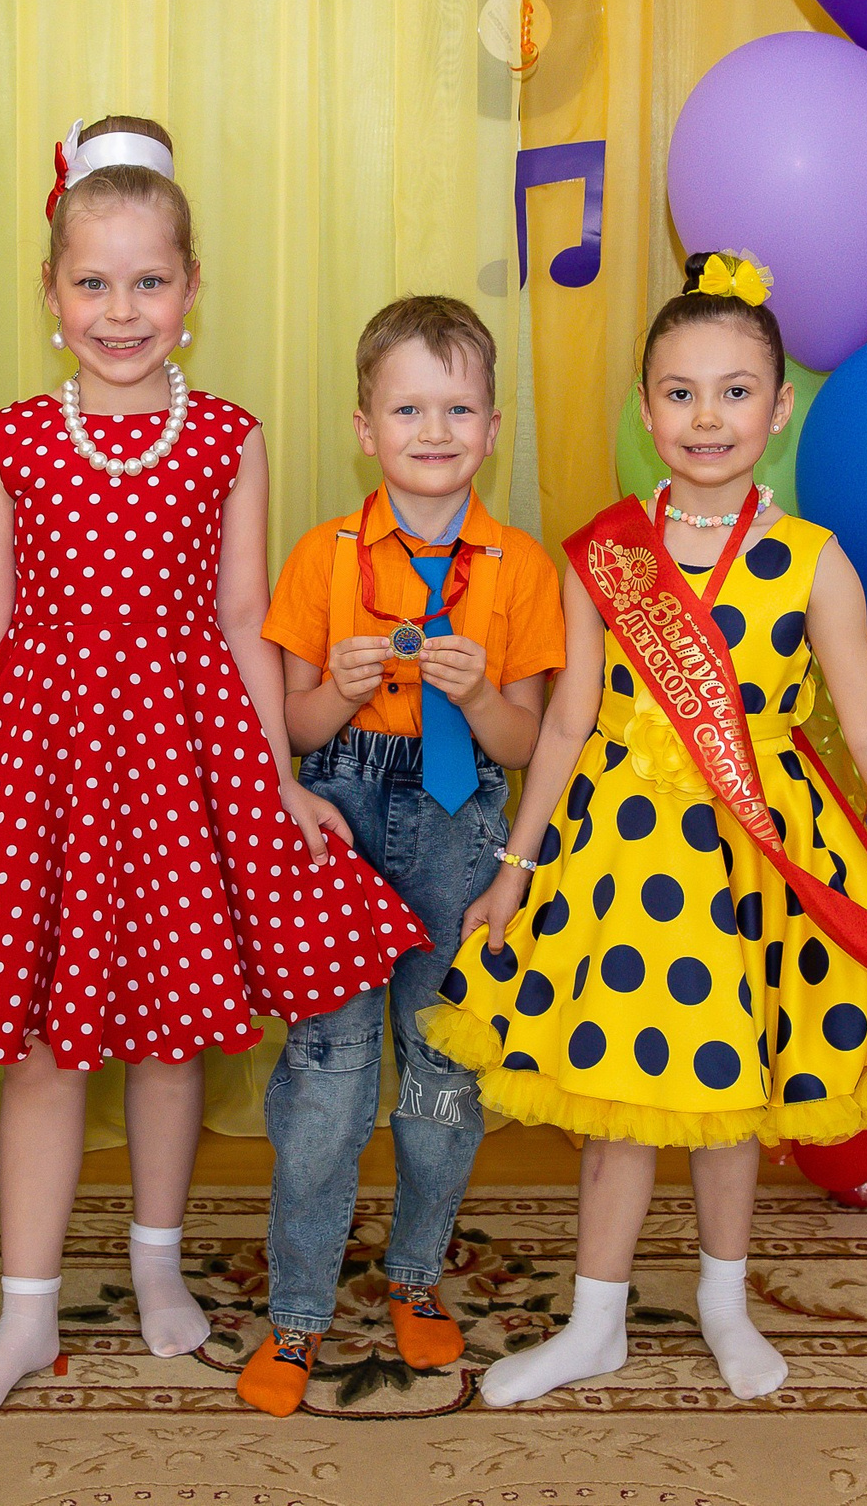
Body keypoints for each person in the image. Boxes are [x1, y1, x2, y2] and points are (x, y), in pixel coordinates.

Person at [0, 116, 424, 1429]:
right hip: (36, 762)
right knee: (45, 1041)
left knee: (167, 1033)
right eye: (92, 281)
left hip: (178, 759)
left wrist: (274, 779)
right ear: (51, 293)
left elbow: (240, 618)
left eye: (148, 279)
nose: (120, 308)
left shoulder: (227, 438)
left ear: (191, 288)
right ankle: (27, 1306)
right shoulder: (12, 440)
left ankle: (157, 1259)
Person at [423, 252, 867, 1407]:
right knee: (618, 1104)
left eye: (736, 391)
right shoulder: (605, 553)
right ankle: (595, 1323)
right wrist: (514, 870)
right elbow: (571, 724)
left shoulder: (812, 563)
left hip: (755, 866)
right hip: (620, 864)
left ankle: (725, 1303)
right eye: (679, 392)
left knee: (736, 1098)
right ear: (645, 410)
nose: (707, 416)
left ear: (779, 409)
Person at [234, 296, 563, 1416]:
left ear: (492, 424)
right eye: (409, 407)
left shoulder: (520, 569)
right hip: (335, 822)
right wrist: (341, 688)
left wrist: (478, 699)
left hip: (459, 826)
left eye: (457, 406)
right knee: (328, 1082)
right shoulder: (322, 559)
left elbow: (530, 740)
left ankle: (415, 1276)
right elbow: (292, 731)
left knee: (439, 1078)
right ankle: (296, 1313)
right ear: (366, 427)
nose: (435, 429)